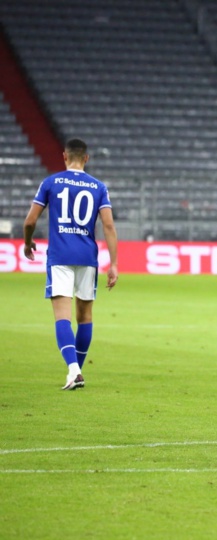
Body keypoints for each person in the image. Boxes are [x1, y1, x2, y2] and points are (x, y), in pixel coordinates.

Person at [22, 138, 119, 390]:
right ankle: (76, 372)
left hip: (60, 256)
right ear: (86, 158)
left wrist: (27, 242)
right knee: (85, 317)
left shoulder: (50, 182)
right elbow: (108, 225)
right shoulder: (99, 187)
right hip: (88, 257)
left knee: (62, 317)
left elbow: (30, 221)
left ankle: (73, 370)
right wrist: (115, 264)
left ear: (65, 156)